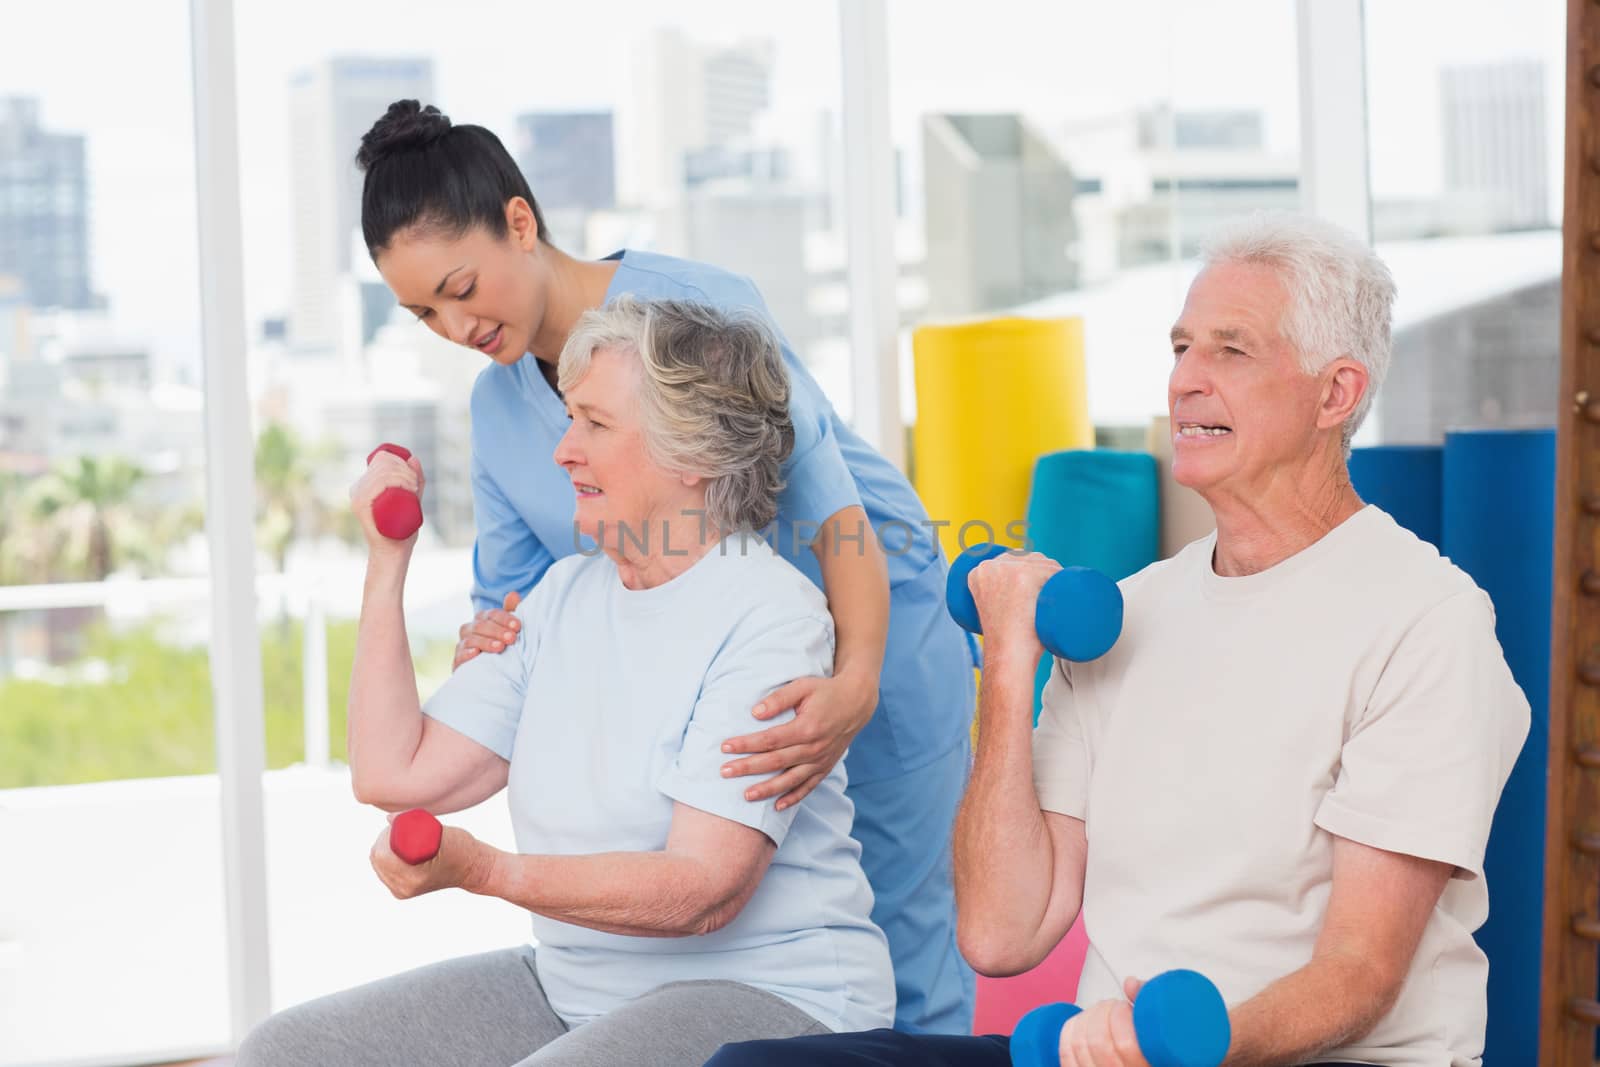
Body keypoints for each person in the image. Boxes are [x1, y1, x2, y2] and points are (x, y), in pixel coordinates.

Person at [709, 213, 1531, 1067]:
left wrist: (1179, 1047)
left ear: (1336, 393)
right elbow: (1000, 933)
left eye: (1231, 351)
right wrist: (1009, 660)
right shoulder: (1130, 614)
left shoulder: (1427, 620)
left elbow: (1359, 972)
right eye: (1181, 349)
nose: (1185, 381)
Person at [352, 99, 973, 1035]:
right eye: (422, 311)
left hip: (862, 599)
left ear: (520, 222)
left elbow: (839, 519)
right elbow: (512, 607)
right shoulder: (497, 408)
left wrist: (855, 679)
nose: (453, 322)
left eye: (461, 285)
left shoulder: (697, 312)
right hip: (710, 649)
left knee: (903, 939)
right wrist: (488, 639)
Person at [236, 297, 895, 1067]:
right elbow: (393, 771)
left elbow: (705, 887)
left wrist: (486, 871)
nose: (562, 451)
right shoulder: (562, 597)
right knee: (283, 1052)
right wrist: (389, 563)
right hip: (575, 990)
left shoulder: (768, 615)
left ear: (691, 453)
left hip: (774, 995)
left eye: (594, 424)